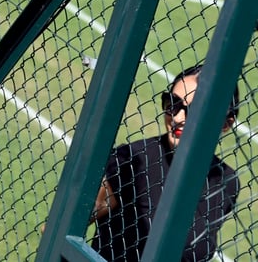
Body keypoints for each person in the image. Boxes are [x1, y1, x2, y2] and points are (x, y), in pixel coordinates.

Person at [90, 65, 240, 262]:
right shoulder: (134, 159)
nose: (177, 118)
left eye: (194, 110)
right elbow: (62, 225)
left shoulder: (226, 182)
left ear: (225, 124)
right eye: (173, 103)